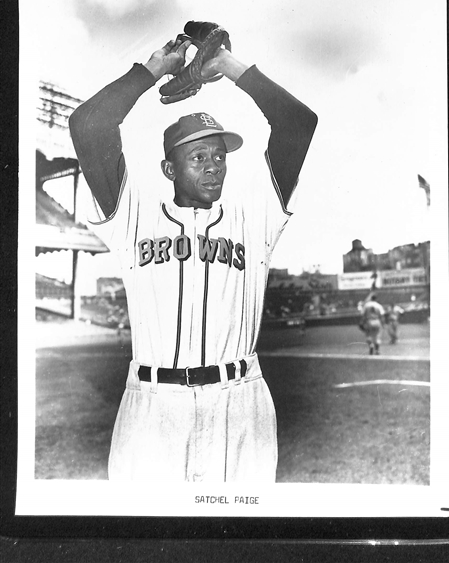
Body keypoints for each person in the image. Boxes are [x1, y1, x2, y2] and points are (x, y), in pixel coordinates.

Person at [68, 34, 318, 481]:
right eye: (198, 155)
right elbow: (88, 124)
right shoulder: (134, 214)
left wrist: (224, 63)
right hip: (153, 406)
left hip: (239, 401)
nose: (214, 165)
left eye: (220, 155)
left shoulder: (253, 217)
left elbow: (298, 123)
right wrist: (153, 70)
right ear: (169, 169)